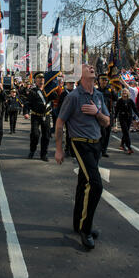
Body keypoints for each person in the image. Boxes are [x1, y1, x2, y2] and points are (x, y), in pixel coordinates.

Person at [55, 63, 110, 250]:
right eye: (86, 66)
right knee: (96, 184)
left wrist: (97, 113)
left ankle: (78, 223)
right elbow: (60, 122)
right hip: (79, 143)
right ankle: (86, 230)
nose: (92, 67)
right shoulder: (73, 97)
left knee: (83, 183)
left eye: (92, 66)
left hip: (96, 144)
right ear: (80, 75)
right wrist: (59, 149)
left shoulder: (99, 96)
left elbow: (107, 121)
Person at [23, 72, 57, 162]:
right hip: (36, 116)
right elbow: (27, 103)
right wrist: (26, 112)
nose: (41, 80)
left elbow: (55, 96)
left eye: (42, 78)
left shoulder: (48, 90)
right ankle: (32, 150)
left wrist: (57, 87)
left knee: (46, 136)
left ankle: (43, 154)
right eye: (39, 78)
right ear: (35, 80)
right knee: (35, 134)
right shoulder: (33, 91)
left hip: (46, 116)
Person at [114, 88, 139, 154]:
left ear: (128, 93)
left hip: (129, 118)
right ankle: (129, 147)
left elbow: (135, 109)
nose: (124, 93)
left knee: (125, 132)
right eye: (123, 92)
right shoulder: (119, 101)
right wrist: (114, 118)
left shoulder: (130, 100)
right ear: (122, 93)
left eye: (125, 92)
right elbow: (116, 110)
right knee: (126, 132)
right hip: (122, 118)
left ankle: (122, 144)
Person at [97, 74, 118, 157]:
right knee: (101, 133)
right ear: (99, 81)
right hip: (100, 115)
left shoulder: (110, 90)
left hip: (109, 114)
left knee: (107, 133)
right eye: (103, 80)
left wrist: (113, 91)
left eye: (105, 80)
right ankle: (99, 148)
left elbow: (116, 98)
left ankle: (104, 150)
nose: (104, 82)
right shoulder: (97, 91)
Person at [57, 76, 76, 158]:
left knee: (74, 134)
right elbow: (60, 106)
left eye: (72, 83)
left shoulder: (76, 93)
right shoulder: (63, 94)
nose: (71, 84)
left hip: (75, 117)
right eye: (70, 83)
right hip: (67, 116)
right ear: (66, 84)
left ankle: (73, 149)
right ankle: (67, 149)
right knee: (68, 133)